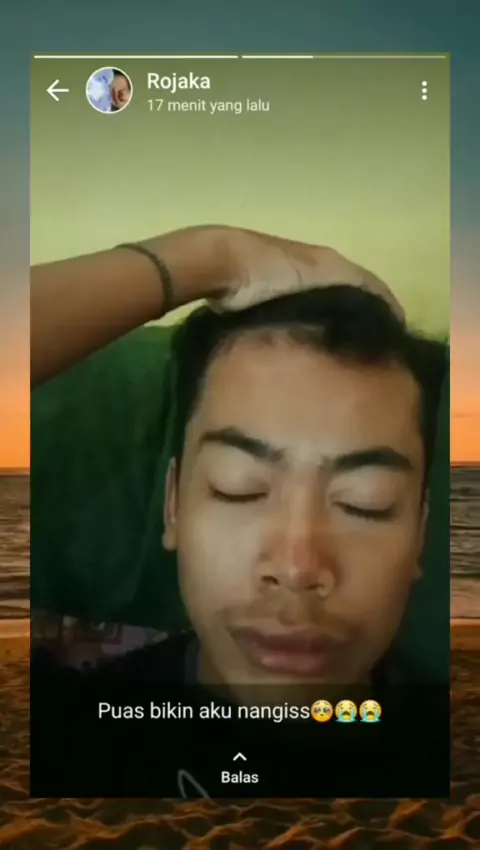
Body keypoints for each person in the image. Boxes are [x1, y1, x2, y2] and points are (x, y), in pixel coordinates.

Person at [31, 274, 449, 799]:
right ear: (173, 507)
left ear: (419, 532)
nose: (296, 568)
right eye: (239, 488)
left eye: (366, 502)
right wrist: (205, 257)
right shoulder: (66, 737)